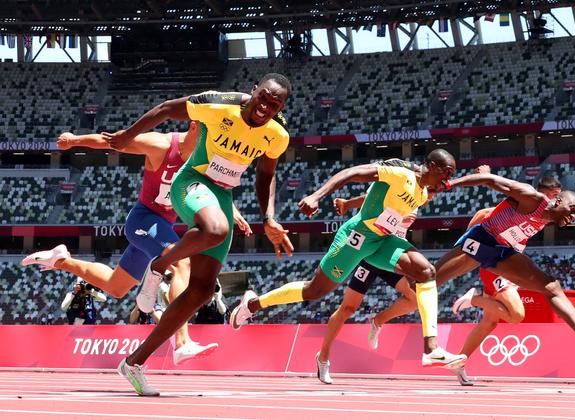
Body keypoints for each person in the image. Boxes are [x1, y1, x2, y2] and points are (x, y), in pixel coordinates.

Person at [103, 74, 294, 396]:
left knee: (203, 290)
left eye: (273, 104)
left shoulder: (276, 136)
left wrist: (269, 218)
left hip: (222, 196)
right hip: (191, 182)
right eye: (262, 98)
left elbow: (265, 176)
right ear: (253, 91)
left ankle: (134, 362)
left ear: (281, 107)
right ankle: (159, 266)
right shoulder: (218, 104)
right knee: (216, 229)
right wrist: (127, 136)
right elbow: (165, 109)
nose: (264, 107)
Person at [22, 123, 241, 366]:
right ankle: (181, 343)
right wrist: (75, 139)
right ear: (193, 127)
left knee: (116, 286)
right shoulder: (162, 144)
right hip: (143, 220)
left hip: (159, 228)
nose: (212, 142)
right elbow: (113, 141)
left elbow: (213, 190)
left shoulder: (204, 158)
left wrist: (232, 210)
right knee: (182, 265)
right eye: (208, 135)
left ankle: (60, 259)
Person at [231, 149, 467, 370]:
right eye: (446, 173)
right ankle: (252, 304)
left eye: (452, 176)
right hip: (357, 237)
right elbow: (351, 173)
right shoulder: (400, 172)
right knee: (314, 291)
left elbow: (372, 198)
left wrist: (352, 203)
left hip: (382, 242)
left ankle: (431, 349)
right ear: (432, 166)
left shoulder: (423, 194)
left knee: (427, 272)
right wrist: (317, 195)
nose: (448, 180)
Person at [424, 171, 575, 367]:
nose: (573, 217)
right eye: (572, 209)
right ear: (556, 200)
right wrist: (450, 184)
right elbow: (489, 181)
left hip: (502, 252)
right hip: (482, 240)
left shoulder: (548, 217)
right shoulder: (533, 199)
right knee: (426, 282)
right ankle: (432, 342)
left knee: (552, 286)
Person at [315, 165, 429, 384]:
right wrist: (348, 204)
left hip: (389, 253)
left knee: (415, 299)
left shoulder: (421, 195)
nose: (430, 195)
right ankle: (323, 357)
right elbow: (368, 198)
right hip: (369, 251)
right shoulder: (399, 185)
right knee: (348, 308)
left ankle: (378, 320)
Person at [449, 175, 562, 386]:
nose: (557, 201)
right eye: (554, 196)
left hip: (509, 265)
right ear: (543, 193)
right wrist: (469, 243)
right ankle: (476, 298)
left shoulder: (545, 215)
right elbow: (484, 213)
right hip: (497, 265)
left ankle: (459, 362)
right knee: (517, 315)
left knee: (489, 323)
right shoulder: (528, 203)